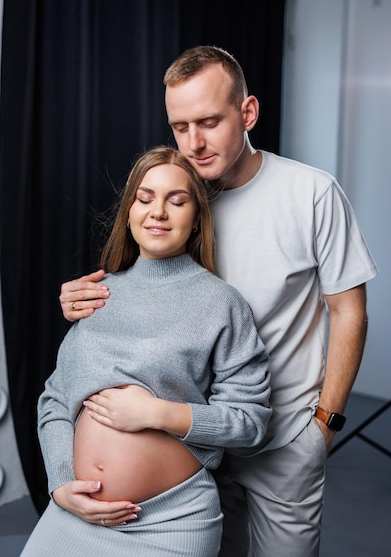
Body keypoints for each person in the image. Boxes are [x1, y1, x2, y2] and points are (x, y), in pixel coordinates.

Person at [59, 46, 379, 557]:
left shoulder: (311, 193)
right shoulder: (180, 196)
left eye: (208, 121)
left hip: (284, 434)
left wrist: (325, 425)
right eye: (179, 126)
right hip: (191, 445)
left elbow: (349, 309)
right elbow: (145, 285)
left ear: (247, 113)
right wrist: (83, 300)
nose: (194, 143)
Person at [22, 146, 271, 557]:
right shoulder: (96, 295)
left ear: (195, 220)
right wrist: (62, 482)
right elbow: (54, 401)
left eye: (177, 201)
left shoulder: (220, 303)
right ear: (129, 212)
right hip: (77, 513)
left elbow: (250, 422)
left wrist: (157, 414)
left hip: (173, 521)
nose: (158, 212)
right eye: (145, 197)